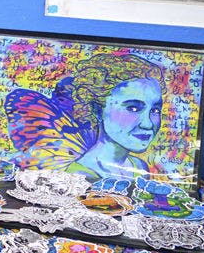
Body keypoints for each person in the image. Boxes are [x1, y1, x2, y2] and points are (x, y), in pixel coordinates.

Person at [64, 52, 164, 181]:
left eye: (155, 110)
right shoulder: (80, 176)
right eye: (133, 108)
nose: (148, 124)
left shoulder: (139, 167)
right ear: (98, 110)